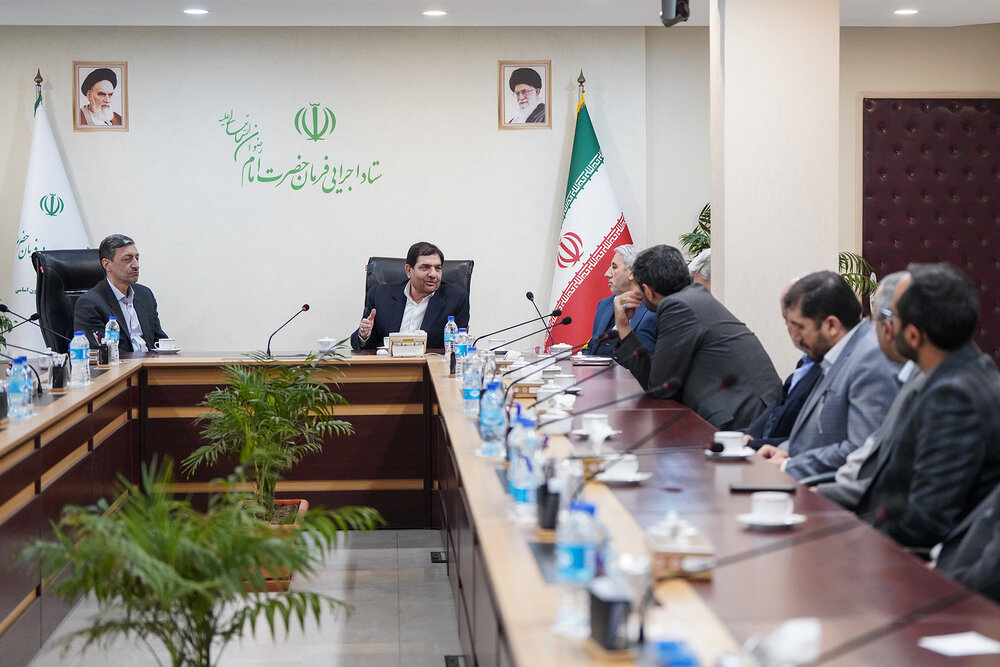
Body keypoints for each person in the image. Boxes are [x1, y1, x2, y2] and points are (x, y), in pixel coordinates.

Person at [854, 264, 1000, 552]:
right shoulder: (972, 370)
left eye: (892, 316)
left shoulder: (953, 397)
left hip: (916, 564)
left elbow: (925, 522)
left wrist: (852, 539)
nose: (886, 325)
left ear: (913, 336)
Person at [612, 244, 781, 430]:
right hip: (759, 410)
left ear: (649, 291)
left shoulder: (677, 307)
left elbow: (660, 387)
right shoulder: (693, 298)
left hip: (745, 419)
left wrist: (623, 328)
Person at [757, 271, 900, 480]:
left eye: (800, 327)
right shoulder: (837, 352)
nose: (795, 338)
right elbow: (821, 433)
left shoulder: (870, 360)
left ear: (832, 325)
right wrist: (785, 450)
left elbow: (861, 449)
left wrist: (789, 465)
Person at [812, 272, 923, 509]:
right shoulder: (912, 377)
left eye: (877, 320)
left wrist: (820, 494)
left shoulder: (939, 390)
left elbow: (910, 492)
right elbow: (870, 452)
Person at [350, 241, 470, 350]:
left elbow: (457, 347)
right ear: (409, 270)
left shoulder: (456, 299)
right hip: (387, 364)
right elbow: (359, 344)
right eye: (425, 267)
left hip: (429, 365)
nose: (433, 274)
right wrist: (364, 335)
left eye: (438, 268)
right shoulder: (380, 295)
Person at [743, 282, 822, 449]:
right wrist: (750, 436)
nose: (793, 333)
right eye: (787, 321)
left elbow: (813, 439)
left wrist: (754, 444)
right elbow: (778, 405)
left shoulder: (828, 364)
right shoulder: (806, 359)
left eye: (796, 323)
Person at [74, 234, 167, 353]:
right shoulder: (90, 303)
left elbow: (159, 341)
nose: (136, 265)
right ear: (107, 264)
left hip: (151, 363)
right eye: (127, 259)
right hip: (122, 364)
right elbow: (100, 351)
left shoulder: (145, 295)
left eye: (137, 258)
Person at [583, 244, 656, 357]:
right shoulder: (604, 304)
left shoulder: (653, 310)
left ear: (631, 272)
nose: (607, 274)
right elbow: (591, 348)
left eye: (614, 267)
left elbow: (647, 359)